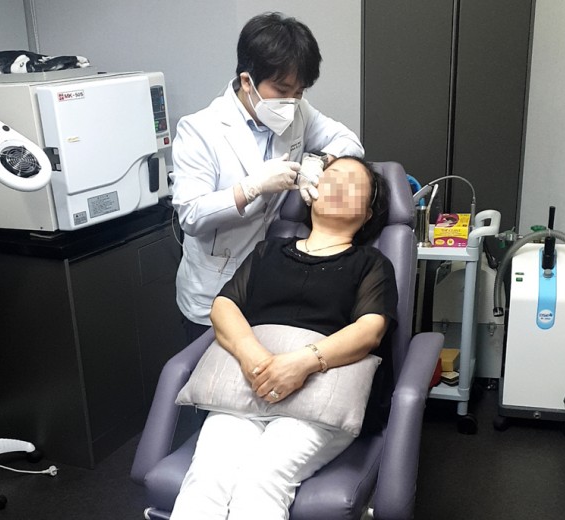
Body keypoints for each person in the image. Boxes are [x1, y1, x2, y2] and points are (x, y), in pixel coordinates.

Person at [170, 156, 398, 520]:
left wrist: (303, 363)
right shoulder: (268, 251)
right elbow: (224, 307)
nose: (338, 186)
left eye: (353, 184)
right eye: (331, 178)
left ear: (368, 213)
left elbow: (370, 330)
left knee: (262, 479)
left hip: (318, 399)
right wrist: (253, 357)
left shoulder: (371, 263)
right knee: (207, 477)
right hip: (248, 386)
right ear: (310, 192)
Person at [170, 12, 365, 343]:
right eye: (282, 89)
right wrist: (251, 187)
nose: (292, 101)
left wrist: (319, 161)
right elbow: (191, 216)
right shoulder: (200, 130)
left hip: (269, 286)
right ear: (247, 81)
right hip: (213, 290)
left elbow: (350, 142)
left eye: (300, 91)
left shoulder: (298, 112)